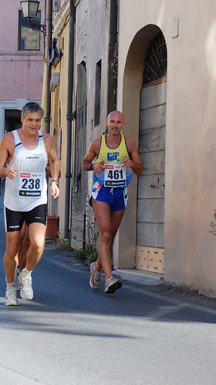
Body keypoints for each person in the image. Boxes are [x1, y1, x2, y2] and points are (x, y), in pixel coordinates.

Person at [0, 102, 60, 306]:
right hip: (14, 202)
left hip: (36, 200)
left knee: (38, 244)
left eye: (38, 120)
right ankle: (10, 287)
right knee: (12, 247)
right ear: (22, 119)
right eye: (30, 120)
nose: (34, 124)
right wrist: (6, 171)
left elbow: (55, 161)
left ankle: (27, 274)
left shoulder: (47, 140)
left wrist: (54, 181)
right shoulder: (9, 139)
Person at [81, 111, 144, 294]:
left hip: (120, 193)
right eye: (112, 122)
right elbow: (84, 163)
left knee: (110, 236)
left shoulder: (129, 144)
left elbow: (141, 170)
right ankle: (109, 279)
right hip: (101, 192)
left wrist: (132, 165)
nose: (115, 125)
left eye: (118, 122)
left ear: (123, 124)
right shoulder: (98, 144)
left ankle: (97, 268)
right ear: (106, 123)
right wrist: (93, 166)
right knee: (106, 234)